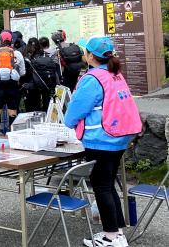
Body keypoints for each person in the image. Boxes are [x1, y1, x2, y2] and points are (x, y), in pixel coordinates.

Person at [64, 36, 142, 247]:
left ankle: (111, 236)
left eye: (85, 51)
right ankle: (116, 233)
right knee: (108, 184)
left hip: (100, 140)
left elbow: (76, 110)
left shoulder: (92, 78)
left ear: (90, 56)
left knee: (101, 186)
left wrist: (68, 122)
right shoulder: (115, 74)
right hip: (119, 138)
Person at [0, 31, 25, 137]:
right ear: (11, 41)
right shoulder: (17, 53)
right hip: (12, 85)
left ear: (0, 41)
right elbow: (22, 72)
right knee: (12, 111)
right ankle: (11, 136)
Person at [21, 37, 44, 112]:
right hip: (38, 83)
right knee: (37, 103)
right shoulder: (41, 54)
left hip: (28, 83)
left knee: (29, 105)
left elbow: (24, 72)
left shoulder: (25, 55)